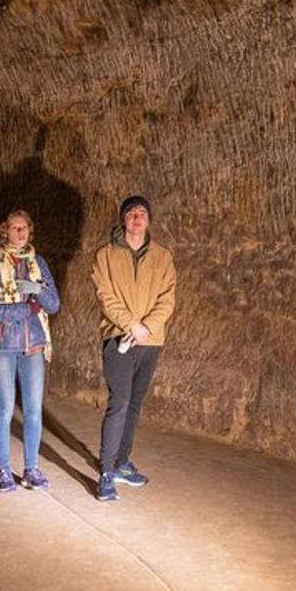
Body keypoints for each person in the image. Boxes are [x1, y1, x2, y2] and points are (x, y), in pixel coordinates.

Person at [91, 195, 176, 502]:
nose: (137, 218)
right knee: (120, 401)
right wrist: (130, 324)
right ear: (123, 220)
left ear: (149, 220)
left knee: (135, 403)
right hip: (118, 338)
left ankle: (121, 462)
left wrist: (148, 327)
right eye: (131, 213)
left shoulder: (163, 257)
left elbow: (167, 298)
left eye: (142, 213)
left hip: (151, 340)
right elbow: (105, 296)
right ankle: (105, 472)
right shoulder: (106, 255)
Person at [0, 209, 61, 492]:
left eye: (24, 227)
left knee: (34, 409)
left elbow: (53, 304)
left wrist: (37, 289)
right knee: (4, 407)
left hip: (33, 344)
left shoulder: (39, 263)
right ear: (5, 232)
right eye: (14, 228)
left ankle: (31, 468)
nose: (20, 233)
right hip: (1, 345)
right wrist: (27, 307)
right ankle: (2, 470)